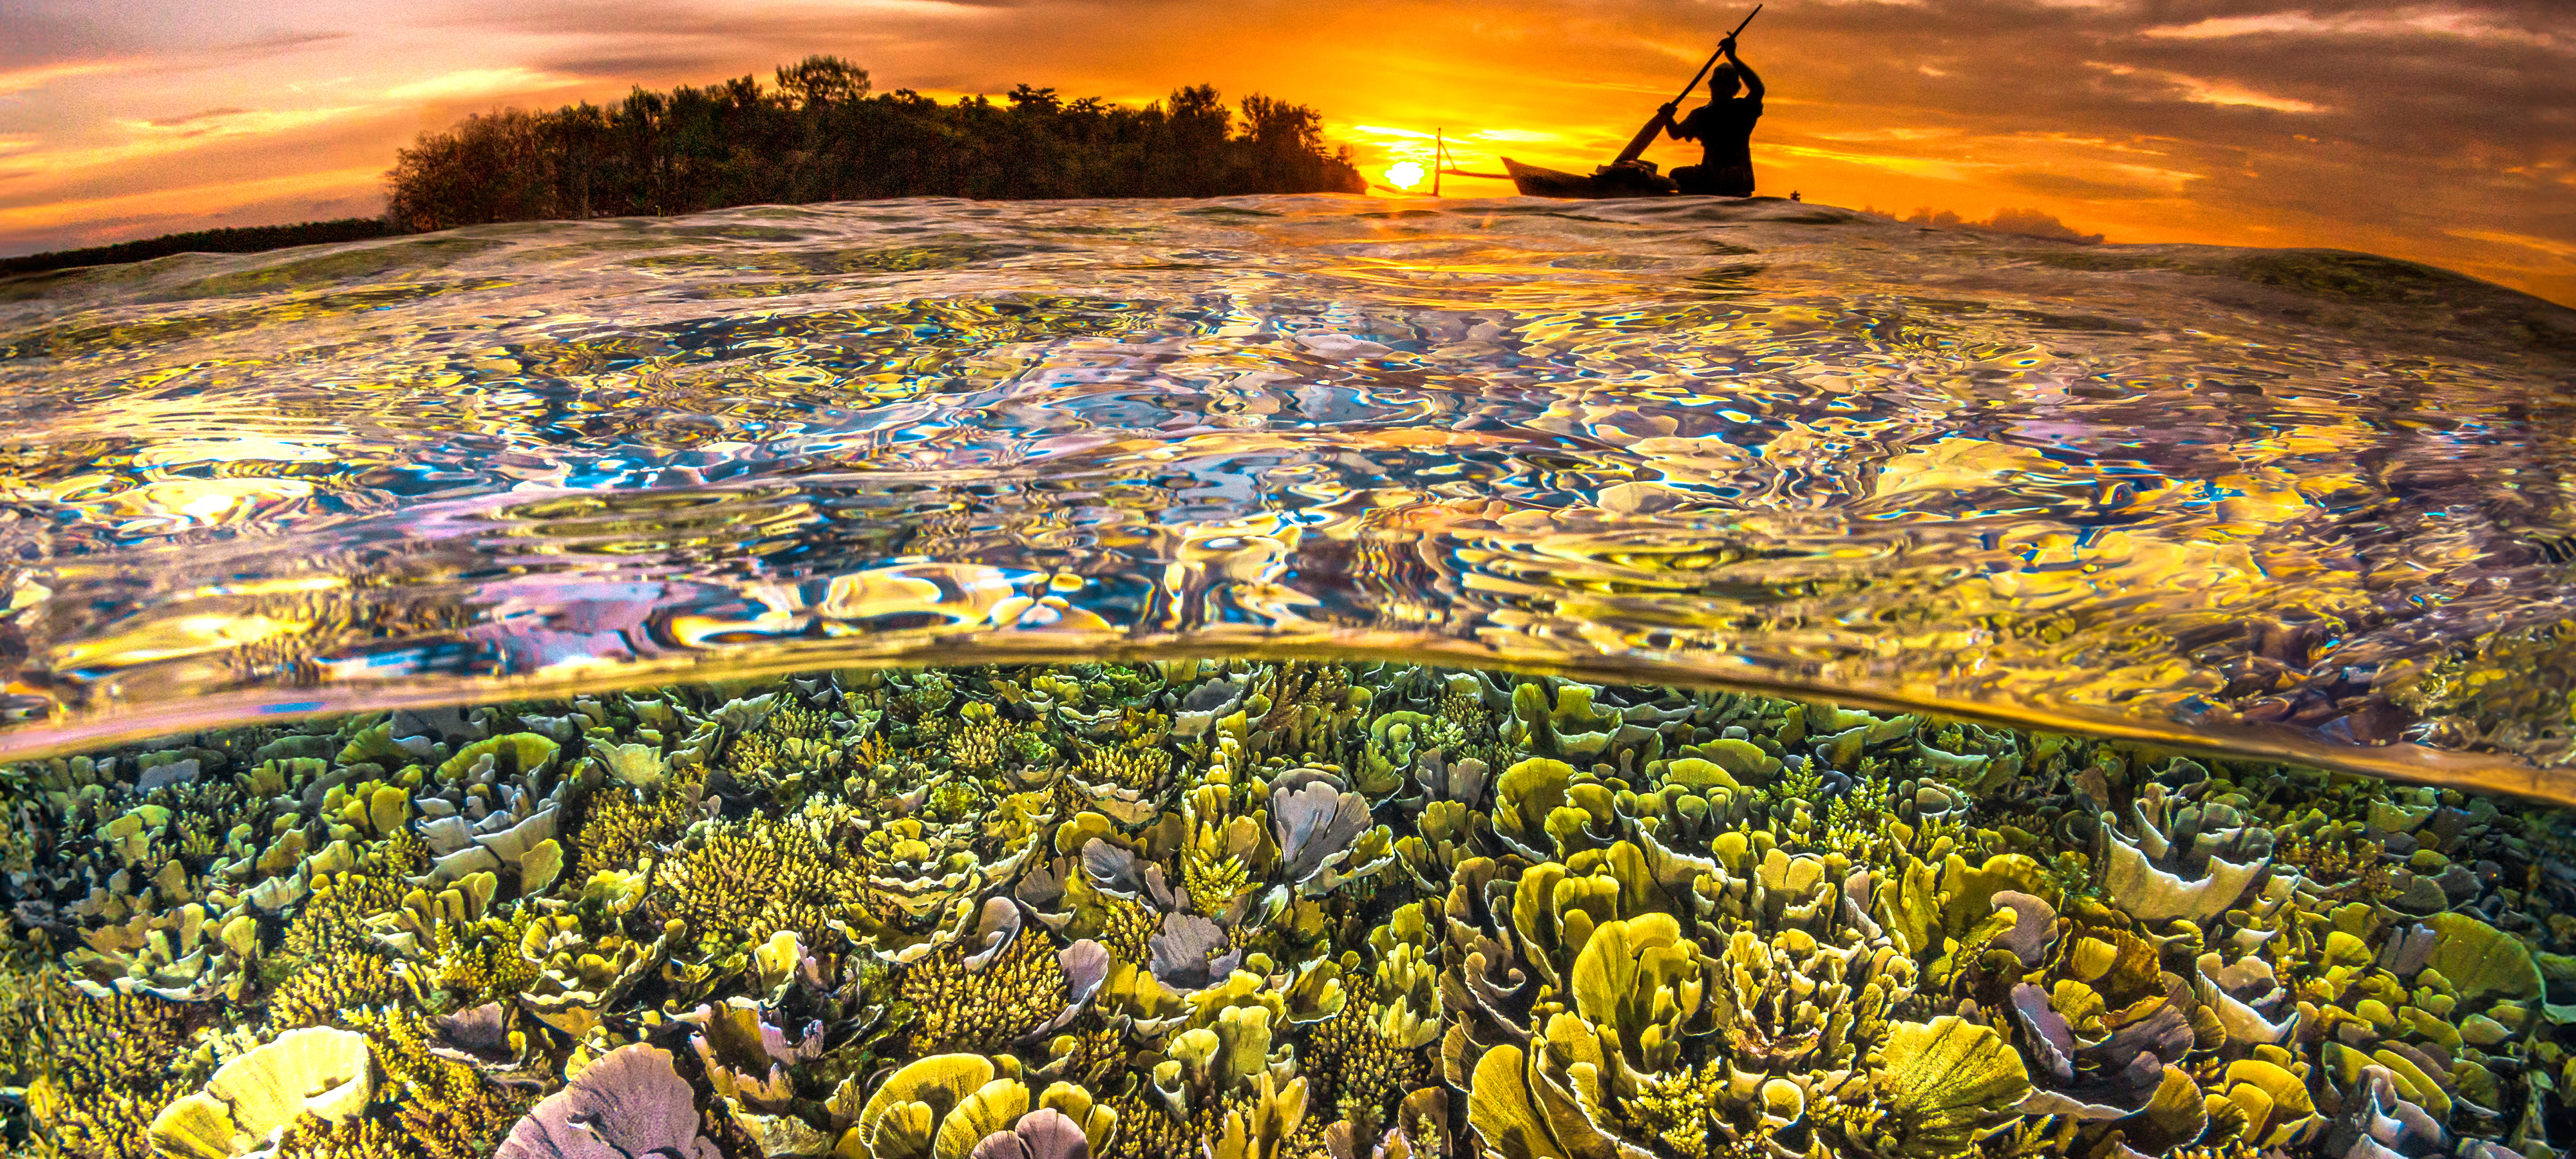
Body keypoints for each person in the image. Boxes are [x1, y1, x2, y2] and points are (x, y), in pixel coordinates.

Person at [1661, 35, 1763, 196]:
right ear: (1711, 86)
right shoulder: (1701, 114)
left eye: (1724, 86)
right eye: (1716, 85)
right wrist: (1667, 117)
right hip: (1708, 174)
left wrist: (1732, 57)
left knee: (1730, 175)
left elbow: (1758, 89)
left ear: (1735, 89)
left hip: (1737, 177)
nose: (1718, 89)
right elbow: (1676, 133)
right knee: (1676, 175)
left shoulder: (1742, 109)